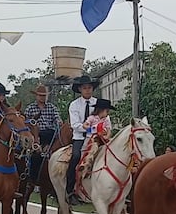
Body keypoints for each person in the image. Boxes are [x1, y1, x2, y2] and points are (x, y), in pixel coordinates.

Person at [66, 75, 99, 206]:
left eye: (89, 88)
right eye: (85, 88)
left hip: (96, 137)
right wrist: (88, 128)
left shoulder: (98, 103)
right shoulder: (74, 105)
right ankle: (70, 190)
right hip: (79, 137)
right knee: (75, 156)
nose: (87, 90)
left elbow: (104, 118)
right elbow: (75, 124)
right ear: (80, 89)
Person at [25, 85, 63, 180]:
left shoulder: (51, 107)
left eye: (44, 95)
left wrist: (58, 121)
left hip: (50, 133)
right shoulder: (30, 108)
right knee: (35, 156)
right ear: (36, 96)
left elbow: (57, 117)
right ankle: (33, 178)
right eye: (41, 95)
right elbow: (25, 122)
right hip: (36, 134)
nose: (43, 97)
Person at [77, 98, 115, 174]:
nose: (108, 113)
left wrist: (106, 137)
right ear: (101, 110)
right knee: (85, 149)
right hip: (92, 138)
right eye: (107, 111)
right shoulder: (92, 118)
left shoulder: (106, 119)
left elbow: (109, 130)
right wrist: (90, 128)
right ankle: (83, 163)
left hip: (103, 138)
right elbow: (85, 125)